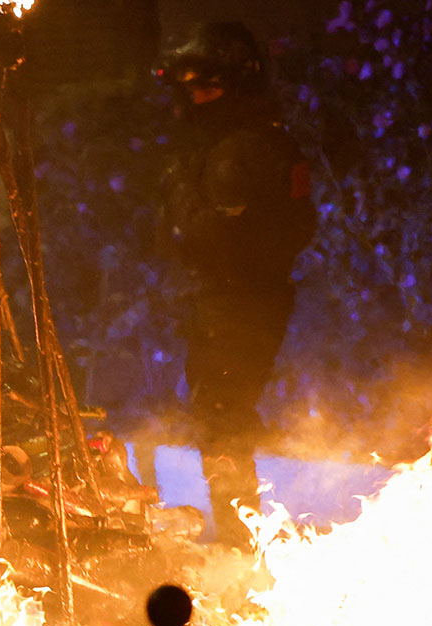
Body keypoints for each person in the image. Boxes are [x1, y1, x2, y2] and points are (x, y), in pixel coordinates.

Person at [157, 22, 315, 546]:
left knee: (222, 416)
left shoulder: (243, 150)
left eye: (206, 88)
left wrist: (184, 198)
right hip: (236, 296)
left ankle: (240, 537)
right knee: (218, 414)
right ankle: (240, 531)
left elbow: (207, 234)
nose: (194, 100)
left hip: (240, 300)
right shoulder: (254, 141)